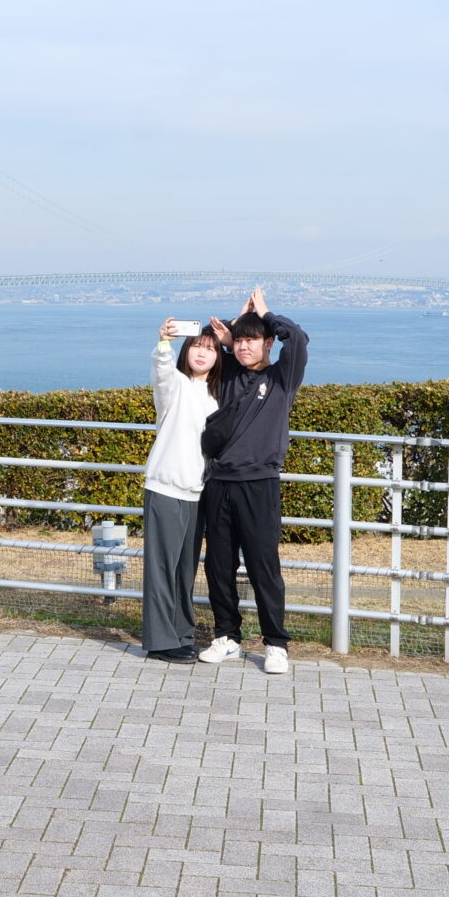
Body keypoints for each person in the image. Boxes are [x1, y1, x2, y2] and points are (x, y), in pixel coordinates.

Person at [198, 286, 309, 674]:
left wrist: (268, 314)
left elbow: (298, 339)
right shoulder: (227, 373)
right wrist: (232, 330)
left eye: (253, 340)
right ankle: (226, 636)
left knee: (264, 565)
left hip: (260, 483)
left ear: (267, 344)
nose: (244, 347)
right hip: (219, 483)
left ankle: (276, 643)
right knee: (219, 565)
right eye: (240, 341)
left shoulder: (282, 378)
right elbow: (208, 345)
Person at [140, 317, 222, 662]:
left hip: (197, 492)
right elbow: (161, 371)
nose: (203, 353)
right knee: (162, 568)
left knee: (185, 569)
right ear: (186, 351)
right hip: (165, 487)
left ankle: (182, 633)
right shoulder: (175, 385)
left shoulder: (218, 396)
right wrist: (163, 342)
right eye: (198, 346)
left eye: (211, 348)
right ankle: (160, 642)